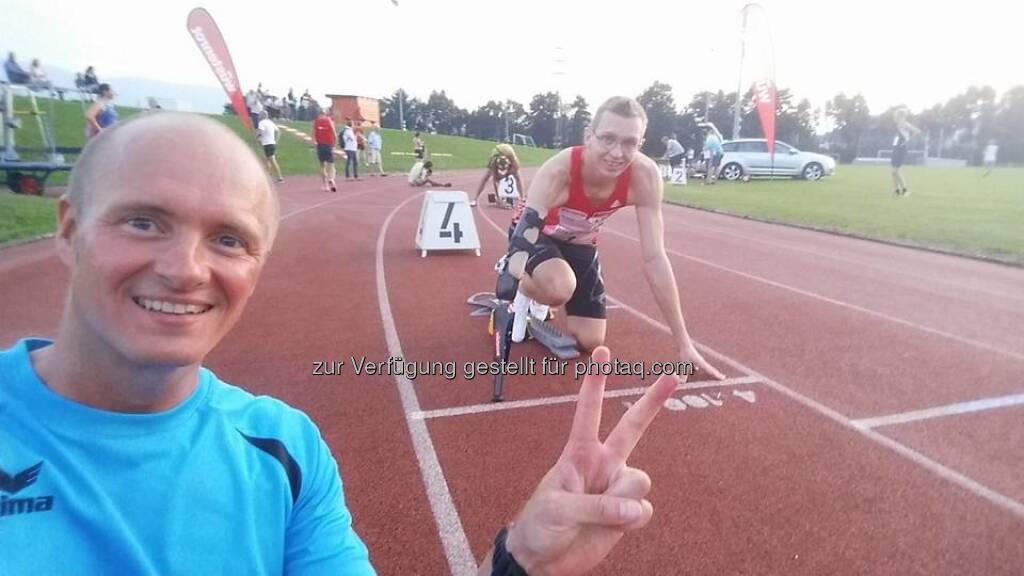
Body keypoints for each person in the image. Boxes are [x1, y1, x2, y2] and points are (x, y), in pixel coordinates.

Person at [1, 111, 682, 574]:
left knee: (589, 328)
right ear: (68, 230)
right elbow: (523, 220)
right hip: (542, 253)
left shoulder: (285, 451)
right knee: (552, 279)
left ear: (258, 263)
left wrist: (519, 560)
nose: (185, 268)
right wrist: (515, 267)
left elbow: (654, 258)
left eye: (228, 239)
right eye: (144, 222)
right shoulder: (553, 171)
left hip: (573, 260)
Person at [499, 96, 725, 379]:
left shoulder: (645, 177)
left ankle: (552, 291)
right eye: (607, 138)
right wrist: (511, 275)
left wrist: (684, 343)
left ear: (640, 144)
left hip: (581, 242)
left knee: (590, 342)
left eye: (629, 143)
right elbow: (526, 233)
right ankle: (526, 288)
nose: (617, 153)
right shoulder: (559, 171)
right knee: (559, 287)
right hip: (537, 235)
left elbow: (654, 257)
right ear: (588, 136)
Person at [891, 108, 921, 196]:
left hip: (901, 149)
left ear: (900, 116)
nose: (894, 118)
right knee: (893, 171)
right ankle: (896, 190)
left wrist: (908, 140)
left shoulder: (904, 124)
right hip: (896, 148)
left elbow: (917, 131)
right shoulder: (898, 125)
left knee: (896, 170)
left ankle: (905, 190)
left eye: (896, 116)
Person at [312, 108, 337, 192]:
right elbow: (334, 134)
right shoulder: (329, 121)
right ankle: (331, 179)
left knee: (322, 165)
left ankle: (325, 185)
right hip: (328, 145)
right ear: (325, 113)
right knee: (331, 165)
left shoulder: (316, 122)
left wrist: (314, 145)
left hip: (320, 145)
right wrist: (334, 145)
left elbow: (313, 135)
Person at [256, 111, 285, 183]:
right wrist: (276, 141)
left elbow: (260, 132)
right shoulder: (271, 123)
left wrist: (257, 137)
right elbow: (279, 131)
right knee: (267, 160)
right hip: (271, 143)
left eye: (260, 115)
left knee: (272, 160)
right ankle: (269, 176)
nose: (259, 116)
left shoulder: (262, 123)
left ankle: (279, 177)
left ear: (263, 116)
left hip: (267, 144)